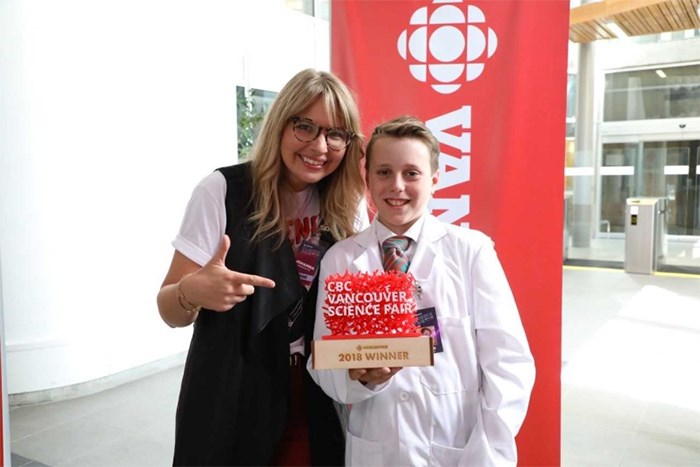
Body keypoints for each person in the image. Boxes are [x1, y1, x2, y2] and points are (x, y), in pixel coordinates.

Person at [156, 68, 368, 466]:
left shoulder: (346, 204)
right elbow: (168, 310)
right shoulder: (222, 190)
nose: (320, 146)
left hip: (317, 390)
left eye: (336, 133)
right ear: (280, 125)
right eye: (305, 127)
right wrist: (192, 292)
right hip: (231, 390)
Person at [308, 116, 536, 466]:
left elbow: (508, 364)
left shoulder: (471, 252)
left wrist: (487, 455)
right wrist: (361, 380)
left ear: (434, 180)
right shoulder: (341, 259)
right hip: (376, 449)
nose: (396, 185)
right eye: (383, 172)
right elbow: (324, 363)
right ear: (367, 178)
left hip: (457, 449)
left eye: (411, 173)